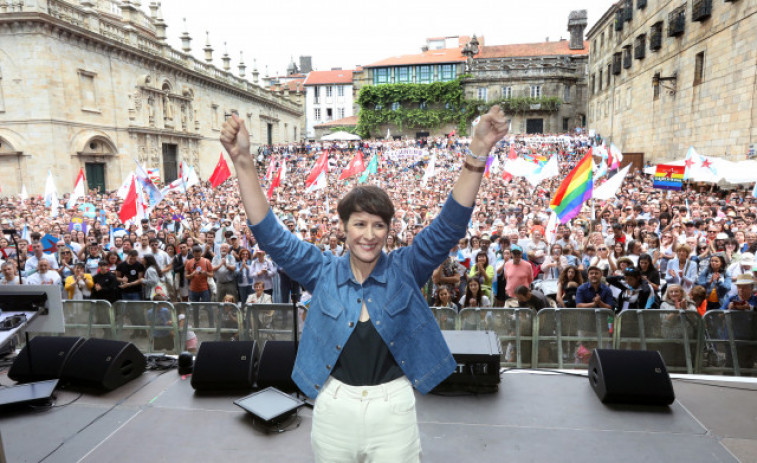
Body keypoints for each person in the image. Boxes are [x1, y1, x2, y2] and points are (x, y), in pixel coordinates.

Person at [221, 104, 508, 462]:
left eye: (378, 225)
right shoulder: (321, 270)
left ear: (389, 230)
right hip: (333, 407)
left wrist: (478, 151)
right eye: (359, 224)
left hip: (394, 410)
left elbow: (448, 227)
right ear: (343, 228)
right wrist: (243, 162)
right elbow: (272, 237)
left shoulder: (406, 269)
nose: (368, 235)